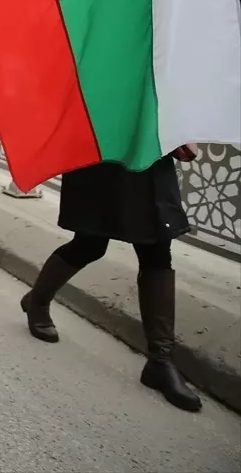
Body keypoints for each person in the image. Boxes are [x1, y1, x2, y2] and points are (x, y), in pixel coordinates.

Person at [20, 150, 203, 412]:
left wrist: (181, 137)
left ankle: (160, 360)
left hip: (149, 157)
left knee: (157, 251)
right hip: (103, 154)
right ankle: (37, 301)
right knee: (90, 244)